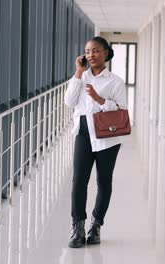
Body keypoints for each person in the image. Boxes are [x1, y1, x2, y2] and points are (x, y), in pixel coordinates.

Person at [64, 36, 128, 248]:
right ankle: (77, 227)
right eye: (88, 51)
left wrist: (101, 101)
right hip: (83, 131)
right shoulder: (80, 77)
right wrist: (78, 73)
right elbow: (69, 102)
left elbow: (122, 111)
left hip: (107, 135)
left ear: (106, 53)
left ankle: (96, 225)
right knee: (79, 180)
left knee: (104, 181)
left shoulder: (116, 81)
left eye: (96, 51)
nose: (91, 55)